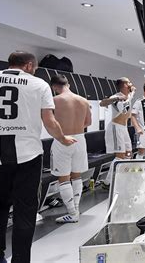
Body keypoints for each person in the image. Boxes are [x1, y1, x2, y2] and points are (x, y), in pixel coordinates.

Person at [0, 52, 76, 263]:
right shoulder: (39, 85)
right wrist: (63, 138)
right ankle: (20, 260)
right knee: (25, 211)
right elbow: (49, 122)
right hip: (28, 156)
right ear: (29, 65)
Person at [50, 75, 91, 223]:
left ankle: (72, 213)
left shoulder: (55, 100)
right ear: (69, 84)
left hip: (63, 139)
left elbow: (49, 122)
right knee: (76, 176)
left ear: (54, 87)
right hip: (80, 139)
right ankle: (76, 209)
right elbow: (88, 122)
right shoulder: (83, 100)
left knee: (64, 178)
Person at [100, 77, 136, 187]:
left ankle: (122, 178)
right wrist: (125, 96)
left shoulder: (127, 95)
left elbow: (129, 97)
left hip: (124, 128)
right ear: (125, 85)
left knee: (129, 153)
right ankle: (108, 182)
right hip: (116, 127)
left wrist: (132, 93)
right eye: (129, 82)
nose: (131, 83)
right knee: (120, 156)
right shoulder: (116, 97)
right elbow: (122, 109)